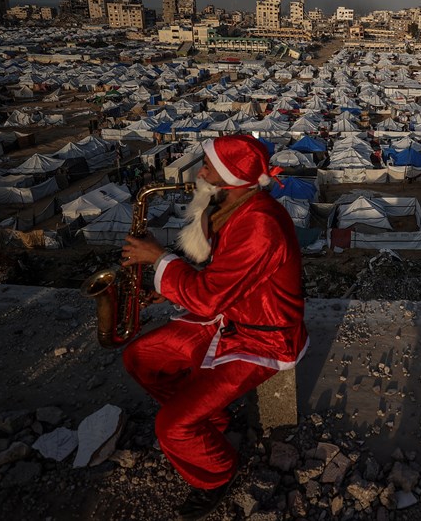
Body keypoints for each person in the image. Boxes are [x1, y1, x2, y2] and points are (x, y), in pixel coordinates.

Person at [120, 135, 308, 521]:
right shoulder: (237, 205)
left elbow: (208, 298)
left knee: (170, 427)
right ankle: (211, 420)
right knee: (140, 357)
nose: (199, 172)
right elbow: (221, 280)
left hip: (263, 338)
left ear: (229, 177)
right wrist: (173, 289)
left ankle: (217, 474)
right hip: (229, 317)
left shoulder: (259, 224)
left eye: (206, 166)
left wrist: (159, 259)